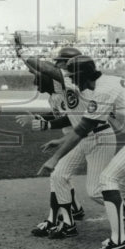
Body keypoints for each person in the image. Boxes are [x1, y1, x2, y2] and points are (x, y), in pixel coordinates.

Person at [46, 56, 125, 249]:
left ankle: (118, 242)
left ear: (83, 75)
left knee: (107, 179)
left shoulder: (102, 91)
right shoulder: (110, 81)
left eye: (74, 76)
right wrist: (62, 142)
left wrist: (55, 158)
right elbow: (84, 126)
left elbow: (83, 129)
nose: (72, 81)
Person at [12, 35, 86, 234]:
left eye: (38, 81)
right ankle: (75, 210)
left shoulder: (67, 85)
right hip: (74, 137)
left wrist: (22, 52)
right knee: (62, 176)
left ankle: (56, 220)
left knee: (59, 175)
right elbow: (39, 71)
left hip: (79, 138)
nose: (36, 83)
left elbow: (45, 71)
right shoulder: (56, 93)